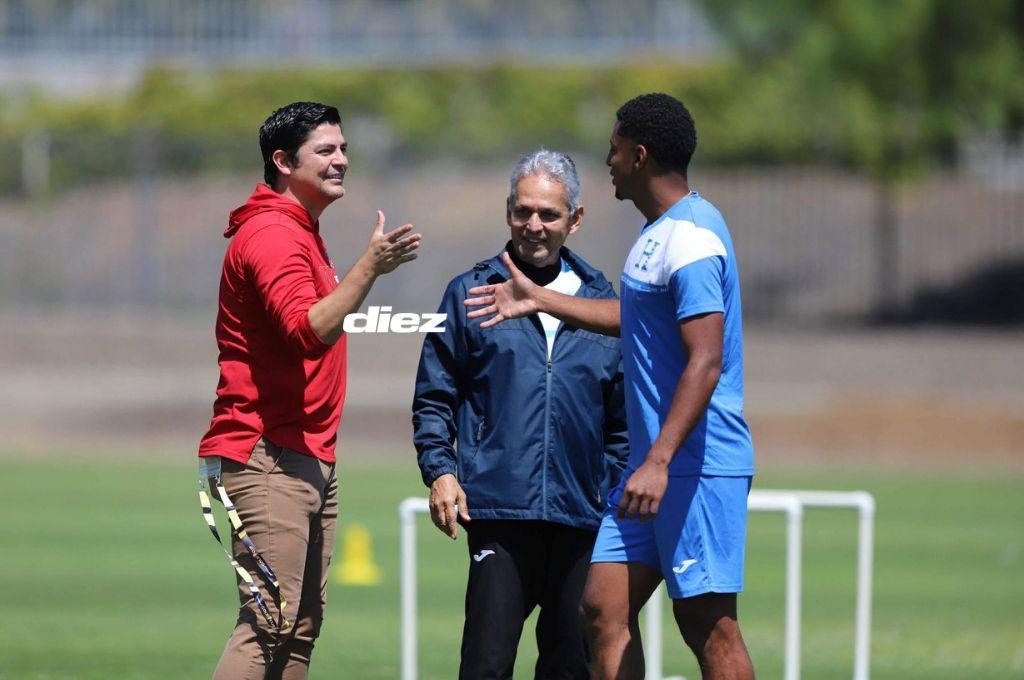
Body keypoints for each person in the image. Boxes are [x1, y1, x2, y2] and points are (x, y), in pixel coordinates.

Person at [465, 94, 756, 680]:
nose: (608, 160)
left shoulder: (693, 237)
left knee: (708, 627)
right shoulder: (657, 233)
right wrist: (540, 299)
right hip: (655, 468)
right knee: (601, 609)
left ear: (640, 155)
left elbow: (706, 361)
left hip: (693, 466)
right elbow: (635, 318)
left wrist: (659, 460)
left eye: (615, 149)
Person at [197, 101, 420, 680]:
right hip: (268, 452)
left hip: (307, 451)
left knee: (297, 632)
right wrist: (369, 268)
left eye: (343, 148)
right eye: (325, 150)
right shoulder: (272, 233)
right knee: (268, 622)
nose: (341, 159)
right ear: (282, 161)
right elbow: (308, 330)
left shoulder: (300, 229)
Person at [412, 149, 629, 679]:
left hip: (581, 519)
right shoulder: (469, 293)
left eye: (549, 214)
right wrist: (441, 471)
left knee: (570, 669)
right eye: (523, 211)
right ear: (507, 210)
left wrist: (608, 490)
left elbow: (622, 423)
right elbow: (435, 396)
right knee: (485, 666)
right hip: (499, 513)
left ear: (575, 219)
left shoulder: (602, 302)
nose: (534, 225)